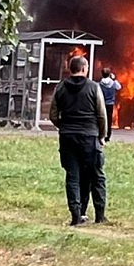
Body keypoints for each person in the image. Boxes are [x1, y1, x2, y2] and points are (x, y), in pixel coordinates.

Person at [49, 54, 110, 226]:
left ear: (70, 69)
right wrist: (101, 136)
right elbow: (101, 115)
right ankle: (100, 215)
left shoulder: (60, 88)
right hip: (90, 138)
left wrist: (64, 127)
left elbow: (53, 114)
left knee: (73, 177)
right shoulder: (93, 87)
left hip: (68, 138)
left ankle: (76, 216)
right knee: (96, 176)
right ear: (84, 69)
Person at [99, 67, 122, 141]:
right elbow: (119, 87)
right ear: (109, 74)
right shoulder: (113, 83)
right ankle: (108, 136)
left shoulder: (100, 83)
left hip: (102, 104)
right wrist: (114, 79)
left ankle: (101, 134)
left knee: (101, 119)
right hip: (110, 104)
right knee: (109, 120)